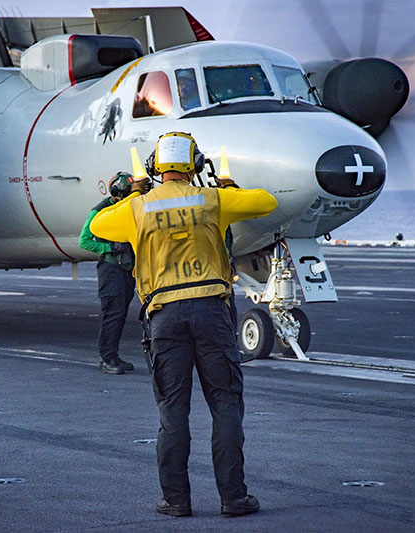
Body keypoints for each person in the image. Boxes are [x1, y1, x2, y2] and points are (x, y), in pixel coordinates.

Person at [90, 132, 278, 517]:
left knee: (173, 409)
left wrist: (133, 194)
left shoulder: (137, 208)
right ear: (195, 164)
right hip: (211, 311)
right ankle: (233, 497)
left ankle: (176, 500)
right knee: (225, 404)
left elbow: (96, 227)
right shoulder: (213, 200)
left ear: (156, 167)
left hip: (165, 317)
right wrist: (229, 186)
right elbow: (267, 201)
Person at [78, 171, 146, 374]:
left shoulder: (127, 208)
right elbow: (84, 241)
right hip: (111, 269)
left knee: (121, 313)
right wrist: (108, 249)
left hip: (126, 268)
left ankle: (111, 356)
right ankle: (107, 358)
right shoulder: (100, 210)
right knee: (113, 314)